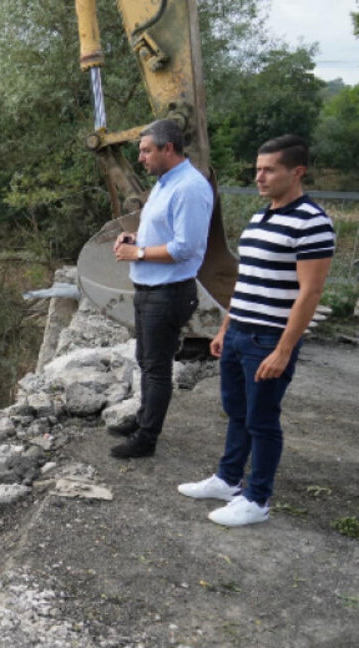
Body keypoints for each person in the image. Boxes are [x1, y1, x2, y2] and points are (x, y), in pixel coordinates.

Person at [177, 134, 335, 526]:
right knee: (236, 411)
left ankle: (257, 499)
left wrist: (283, 350)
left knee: (262, 419)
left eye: (269, 170)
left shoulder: (312, 222)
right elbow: (246, 281)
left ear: (297, 172)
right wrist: (225, 328)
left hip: (268, 338)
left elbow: (310, 292)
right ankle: (228, 480)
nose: (259, 177)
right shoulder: (262, 215)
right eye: (257, 169)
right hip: (238, 332)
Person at [109, 119, 213, 459]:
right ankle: (142, 420)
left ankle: (146, 439)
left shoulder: (189, 188)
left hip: (168, 293)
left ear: (169, 148)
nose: (140, 158)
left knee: (156, 369)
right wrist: (136, 239)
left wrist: (137, 253)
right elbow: (163, 232)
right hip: (150, 289)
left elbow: (185, 247)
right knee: (146, 360)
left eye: (146, 151)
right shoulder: (165, 184)